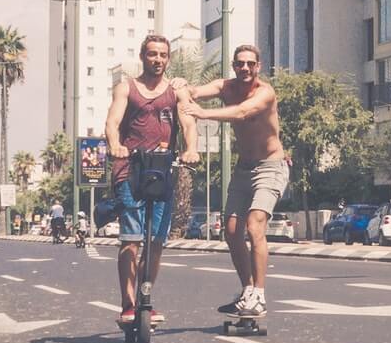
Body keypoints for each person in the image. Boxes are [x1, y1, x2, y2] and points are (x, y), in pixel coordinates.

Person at [179, 44, 286, 319]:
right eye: (240, 63)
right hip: (243, 168)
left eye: (251, 63)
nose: (245, 68)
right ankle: (247, 291)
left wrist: (203, 113)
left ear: (259, 66)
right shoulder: (226, 87)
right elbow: (196, 92)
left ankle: (260, 296)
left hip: (270, 166)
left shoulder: (265, 92)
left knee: (254, 224)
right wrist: (182, 86)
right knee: (231, 230)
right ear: (234, 65)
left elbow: (241, 112)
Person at [104, 33, 200, 325]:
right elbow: (112, 122)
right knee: (131, 240)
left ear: (167, 58)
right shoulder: (126, 88)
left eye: (162, 55)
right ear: (143, 56)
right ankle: (128, 303)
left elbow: (188, 122)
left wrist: (191, 149)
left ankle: (146, 295)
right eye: (152, 54)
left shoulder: (176, 91)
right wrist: (115, 145)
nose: (157, 60)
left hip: (162, 170)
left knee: (156, 241)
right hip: (130, 169)